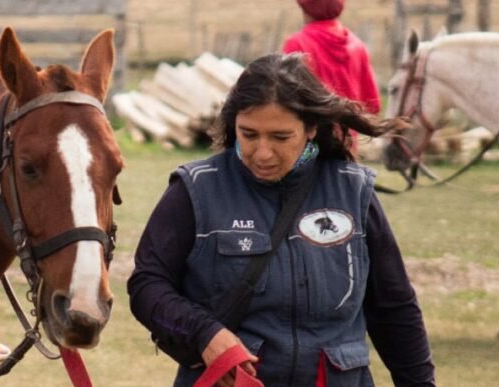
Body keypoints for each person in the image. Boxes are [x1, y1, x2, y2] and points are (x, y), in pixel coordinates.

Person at [128, 53, 435, 386]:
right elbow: (147, 286)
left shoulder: (353, 191)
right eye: (249, 134)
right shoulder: (195, 190)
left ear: (311, 128)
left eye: (280, 137)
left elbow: (394, 309)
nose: (263, 153)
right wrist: (203, 334)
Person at [282, 0, 381, 114]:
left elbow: (287, 99)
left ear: (305, 8)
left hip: (312, 126)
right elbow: (373, 104)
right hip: (351, 127)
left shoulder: (297, 43)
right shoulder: (357, 46)